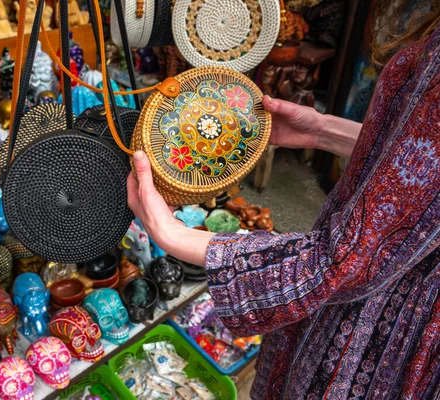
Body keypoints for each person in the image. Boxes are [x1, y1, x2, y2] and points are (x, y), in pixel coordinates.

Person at [127, 7, 440, 400]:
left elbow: (345, 261)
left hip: (381, 338)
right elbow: (419, 168)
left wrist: (173, 235)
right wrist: (325, 131)